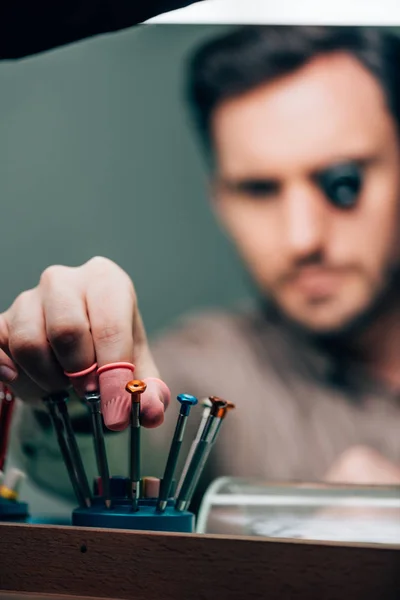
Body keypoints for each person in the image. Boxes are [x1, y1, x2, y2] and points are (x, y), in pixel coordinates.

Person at [2, 26, 400, 507]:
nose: (302, 238)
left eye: (343, 181)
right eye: (258, 190)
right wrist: (73, 387)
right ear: (220, 201)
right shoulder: (210, 371)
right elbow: (116, 458)